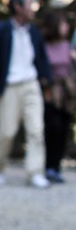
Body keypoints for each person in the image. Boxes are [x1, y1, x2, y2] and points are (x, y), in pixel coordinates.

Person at [0, 0, 52, 188]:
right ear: (18, 7)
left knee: (37, 130)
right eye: (30, 4)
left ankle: (35, 171)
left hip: (31, 84)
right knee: (7, 131)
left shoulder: (34, 32)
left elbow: (42, 60)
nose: (33, 8)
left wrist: (48, 82)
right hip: (8, 86)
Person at [42, 12, 74, 184]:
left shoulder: (68, 46)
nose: (66, 27)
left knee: (63, 130)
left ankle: (56, 167)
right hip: (49, 93)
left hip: (66, 95)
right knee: (51, 129)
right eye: (63, 24)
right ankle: (47, 166)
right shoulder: (43, 46)